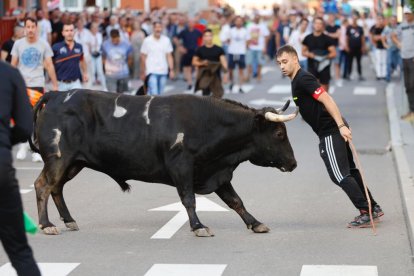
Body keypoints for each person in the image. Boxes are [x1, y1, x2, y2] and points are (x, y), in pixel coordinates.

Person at [275, 45, 383, 228]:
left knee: (339, 174)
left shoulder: (303, 78)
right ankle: (373, 207)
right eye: (279, 63)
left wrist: (341, 126)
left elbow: (326, 99)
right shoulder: (297, 81)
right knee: (350, 171)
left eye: (285, 62)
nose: (282, 67)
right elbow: (309, 104)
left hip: (331, 130)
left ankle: (365, 211)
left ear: (295, 59)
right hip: (331, 128)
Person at [0, 61, 41, 276]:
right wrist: (5, 141)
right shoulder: (10, 74)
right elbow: (26, 126)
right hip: (1, 167)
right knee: (20, 252)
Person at [11, 17, 58, 162]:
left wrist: (55, 85)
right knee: (23, 117)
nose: (30, 29)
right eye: (28, 27)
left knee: (37, 118)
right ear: (24, 28)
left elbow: (49, 65)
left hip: (37, 84)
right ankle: (23, 145)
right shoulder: (18, 44)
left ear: (36, 28)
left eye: (33, 27)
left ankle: (35, 149)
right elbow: (13, 65)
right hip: (22, 85)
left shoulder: (43, 44)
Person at [302, 17, 336, 93]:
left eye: (320, 23)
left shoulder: (327, 38)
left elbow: (334, 53)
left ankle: (324, 104)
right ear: (313, 25)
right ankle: (315, 104)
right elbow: (303, 52)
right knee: (313, 89)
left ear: (323, 25)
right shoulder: (308, 38)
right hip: (312, 66)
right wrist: (310, 55)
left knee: (324, 91)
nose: (318, 25)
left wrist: (323, 57)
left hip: (324, 66)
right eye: (316, 23)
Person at [140, 21, 175, 95]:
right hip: (151, 70)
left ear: (162, 28)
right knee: (154, 92)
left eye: (159, 27)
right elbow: (143, 56)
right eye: (156, 27)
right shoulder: (147, 40)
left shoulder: (166, 40)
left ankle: (154, 105)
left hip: (163, 70)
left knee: (160, 93)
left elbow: (169, 56)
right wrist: (143, 71)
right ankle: (152, 106)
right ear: (153, 28)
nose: (158, 29)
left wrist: (171, 70)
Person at [392, 6, 414, 122]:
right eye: (405, 14)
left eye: (408, 13)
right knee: (407, 85)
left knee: (412, 84)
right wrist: (399, 45)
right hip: (404, 57)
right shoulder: (403, 25)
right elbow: (393, 35)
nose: (406, 15)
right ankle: (411, 111)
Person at [192, 28, 228, 97]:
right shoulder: (200, 49)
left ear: (212, 37)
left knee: (218, 95)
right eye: (206, 36)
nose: (208, 38)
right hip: (205, 75)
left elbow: (223, 61)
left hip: (216, 75)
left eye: (210, 35)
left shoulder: (219, 49)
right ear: (204, 38)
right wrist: (202, 63)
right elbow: (194, 62)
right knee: (205, 96)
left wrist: (225, 74)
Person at [52, 22, 88, 91]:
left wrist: (85, 73)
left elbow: (82, 60)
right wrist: (54, 83)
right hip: (60, 83)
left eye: (71, 30)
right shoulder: (56, 47)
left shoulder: (79, 46)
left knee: (78, 101)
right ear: (63, 33)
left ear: (74, 32)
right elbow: (50, 65)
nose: (69, 33)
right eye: (67, 31)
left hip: (75, 83)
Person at [175, 18, 202, 91]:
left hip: (195, 51)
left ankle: (197, 83)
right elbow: (175, 38)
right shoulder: (184, 31)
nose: (191, 23)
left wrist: (200, 47)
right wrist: (180, 47)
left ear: (194, 23)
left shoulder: (197, 31)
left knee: (197, 67)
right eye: (189, 22)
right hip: (186, 51)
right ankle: (189, 83)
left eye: (192, 22)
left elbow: (203, 38)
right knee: (187, 68)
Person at [102, 29, 133, 93]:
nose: (115, 42)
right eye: (113, 40)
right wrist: (105, 69)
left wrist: (126, 68)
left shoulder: (126, 44)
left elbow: (130, 58)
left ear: (119, 37)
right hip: (110, 74)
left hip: (123, 74)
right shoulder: (105, 44)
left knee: (123, 96)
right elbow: (103, 58)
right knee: (111, 95)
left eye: (117, 40)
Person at [227, 16, 248, 93]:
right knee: (230, 70)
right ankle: (232, 82)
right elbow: (227, 40)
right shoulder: (231, 30)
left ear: (242, 22)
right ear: (235, 22)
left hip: (241, 52)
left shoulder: (245, 31)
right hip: (232, 52)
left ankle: (240, 86)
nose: (239, 22)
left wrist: (245, 48)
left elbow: (248, 40)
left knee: (241, 70)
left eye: (240, 21)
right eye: (237, 21)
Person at [246, 14, 270, 82]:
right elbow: (247, 36)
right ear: (253, 19)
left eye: (258, 18)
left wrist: (265, 47)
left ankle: (259, 76)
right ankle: (248, 75)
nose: (256, 19)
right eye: (255, 18)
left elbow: (266, 36)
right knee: (249, 62)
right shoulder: (249, 26)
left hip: (260, 47)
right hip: (251, 47)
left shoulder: (263, 26)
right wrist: (247, 45)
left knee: (260, 62)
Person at [345, 13, 366, 81]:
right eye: (353, 19)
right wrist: (347, 46)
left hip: (358, 47)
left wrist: (363, 46)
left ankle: (360, 74)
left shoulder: (360, 28)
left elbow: (362, 37)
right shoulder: (349, 28)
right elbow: (347, 37)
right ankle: (349, 74)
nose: (354, 20)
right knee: (350, 62)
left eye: (355, 19)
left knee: (358, 62)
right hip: (351, 47)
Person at [382, 15, 401, 83]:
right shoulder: (387, 28)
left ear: (396, 20)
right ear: (390, 21)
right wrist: (384, 44)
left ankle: (402, 79)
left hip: (398, 48)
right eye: (392, 20)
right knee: (389, 62)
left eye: (394, 20)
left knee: (398, 63)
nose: (393, 21)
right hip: (390, 47)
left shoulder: (399, 27)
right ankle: (388, 77)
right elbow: (383, 36)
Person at [325, 14, 341, 86]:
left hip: (336, 47)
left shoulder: (337, 26)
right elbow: (325, 36)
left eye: (331, 17)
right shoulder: (326, 27)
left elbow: (337, 35)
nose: (330, 18)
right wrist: (331, 35)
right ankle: (328, 78)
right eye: (329, 17)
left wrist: (328, 34)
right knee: (327, 63)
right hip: (327, 47)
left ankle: (337, 79)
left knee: (337, 63)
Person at [90, 22, 107, 89]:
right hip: (91, 55)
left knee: (100, 71)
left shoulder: (99, 35)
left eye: (96, 28)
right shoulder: (89, 35)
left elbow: (100, 45)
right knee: (92, 70)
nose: (95, 29)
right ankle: (91, 86)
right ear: (91, 28)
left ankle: (104, 87)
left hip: (98, 54)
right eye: (93, 27)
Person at [370, 15, 386, 80]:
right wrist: (379, 38)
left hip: (384, 46)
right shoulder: (374, 28)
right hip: (377, 46)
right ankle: (379, 75)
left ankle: (384, 74)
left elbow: (386, 36)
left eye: (381, 19)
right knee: (378, 61)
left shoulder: (385, 27)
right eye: (378, 19)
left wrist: (379, 37)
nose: (380, 21)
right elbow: (373, 37)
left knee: (384, 61)